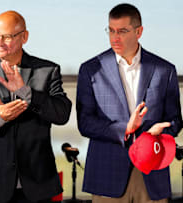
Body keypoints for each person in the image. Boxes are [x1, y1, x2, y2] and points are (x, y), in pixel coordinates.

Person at [0, 10, 72, 203]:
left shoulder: (47, 70)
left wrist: (26, 92)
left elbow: (62, 114)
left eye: (7, 37)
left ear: (24, 37)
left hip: (37, 185)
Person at [77, 3, 182, 203]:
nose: (115, 38)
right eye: (111, 30)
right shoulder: (90, 70)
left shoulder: (164, 70)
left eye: (122, 31)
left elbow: (175, 120)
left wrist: (160, 132)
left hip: (152, 174)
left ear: (139, 31)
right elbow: (85, 123)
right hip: (107, 174)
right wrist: (125, 128)